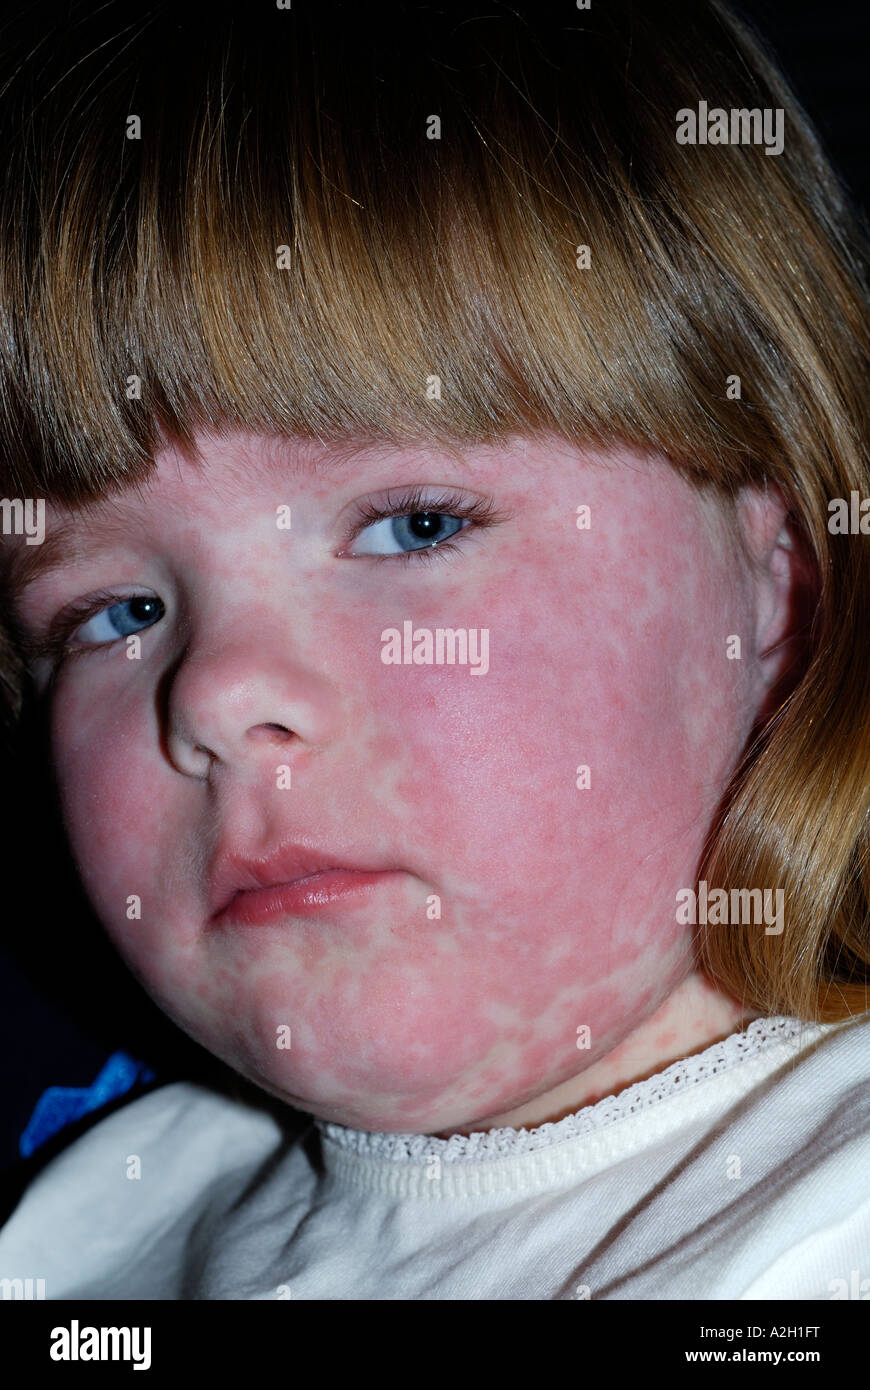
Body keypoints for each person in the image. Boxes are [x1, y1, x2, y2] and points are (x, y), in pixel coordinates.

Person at [0, 0, 868, 1300]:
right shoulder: (88, 1220)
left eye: (413, 526)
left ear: (777, 578)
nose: (223, 695)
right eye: (114, 612)